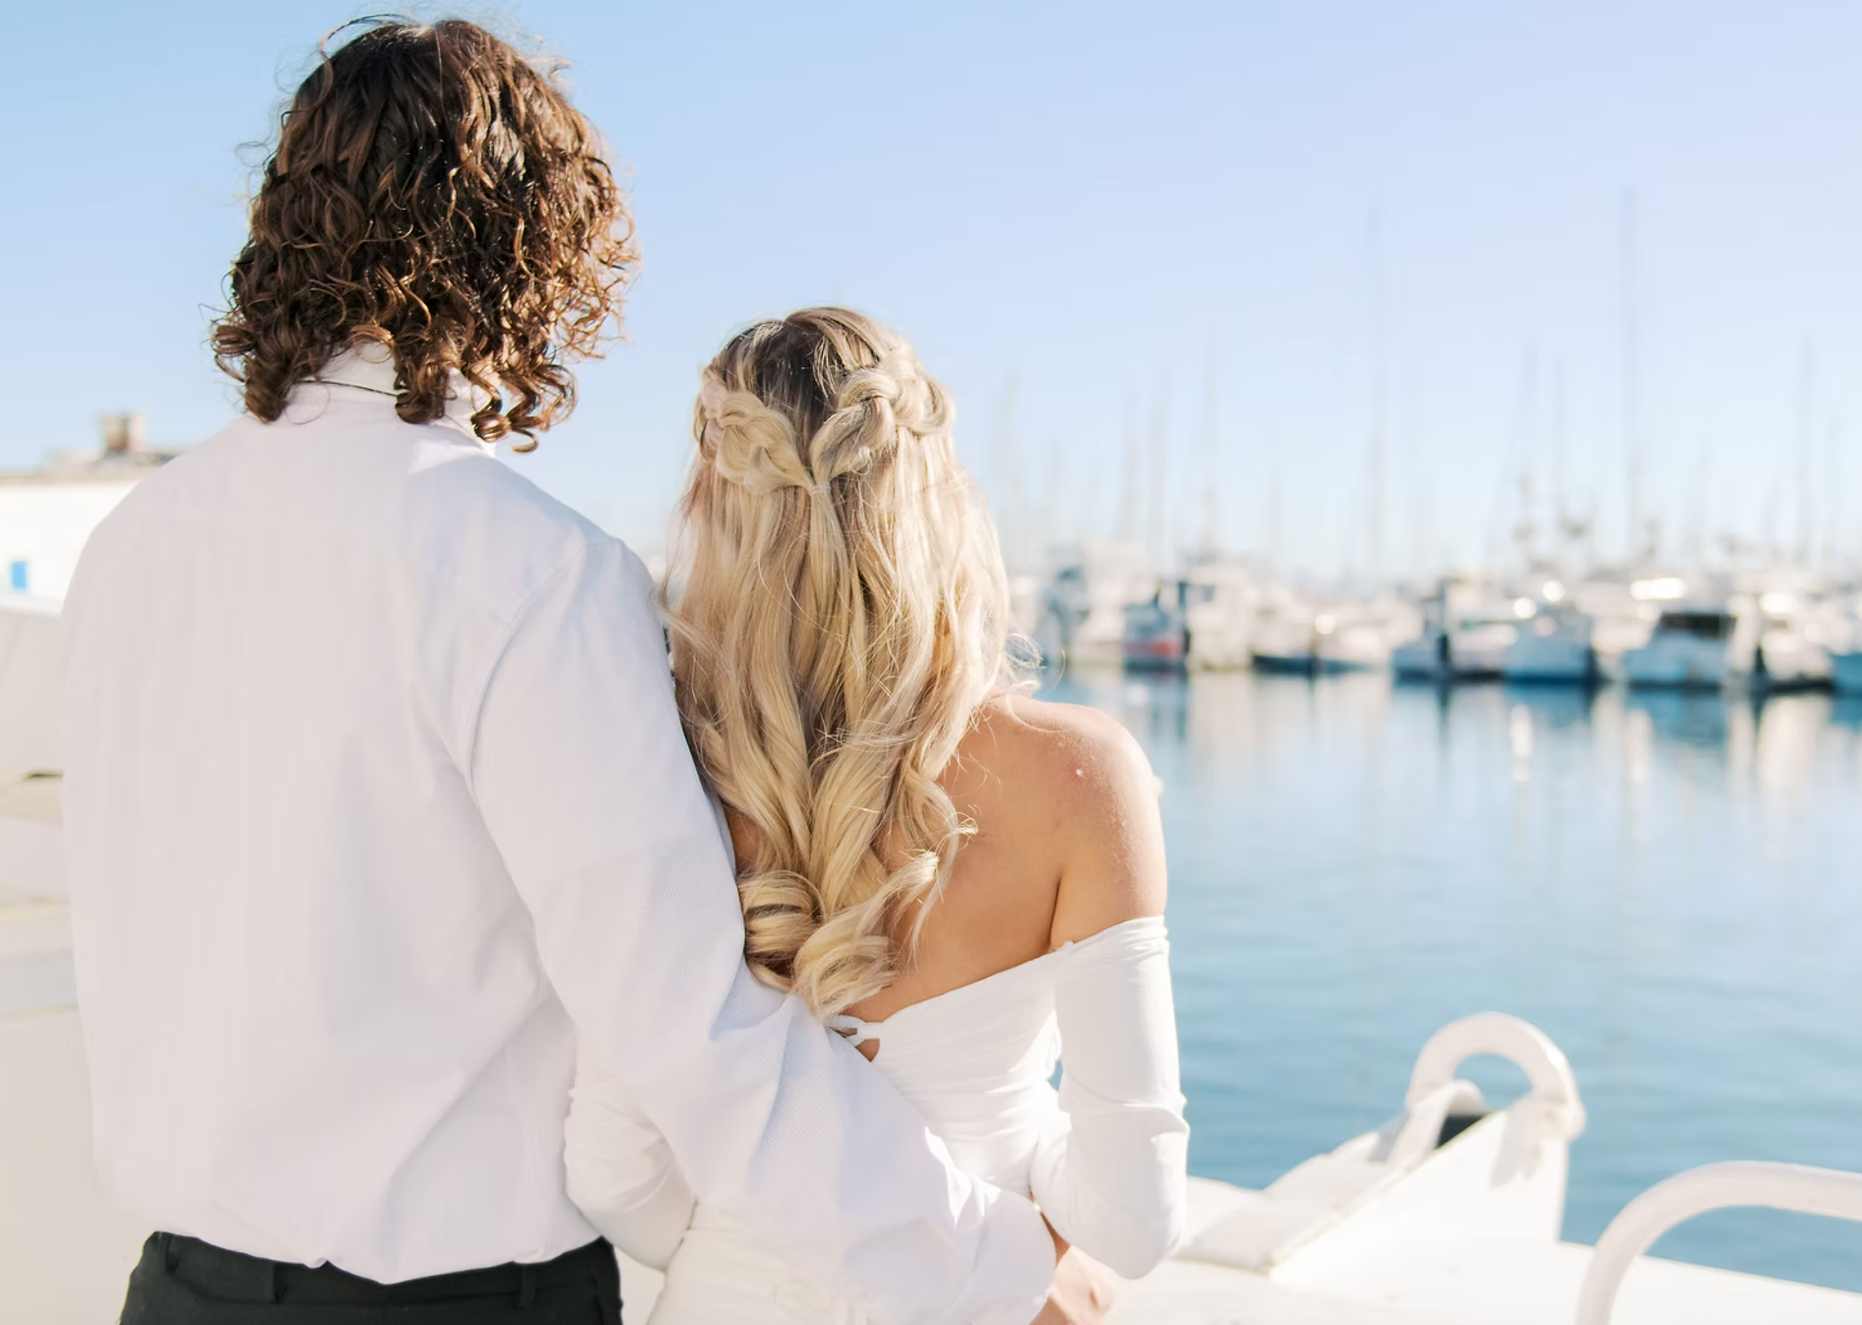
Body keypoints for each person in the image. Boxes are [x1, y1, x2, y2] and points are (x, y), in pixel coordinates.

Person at [60, 19, 1100, 1325]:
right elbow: (686, 1027)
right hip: (458, 1303)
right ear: (530, 252)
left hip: (178, 1290)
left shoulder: (133, 546)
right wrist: (986, 1265)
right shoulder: (530, 577)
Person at [563, 309, 1189, 1323]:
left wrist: (758, 1235)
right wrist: (1003, 1230)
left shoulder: (652, 765)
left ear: (712, 501)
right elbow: (1131, 1218)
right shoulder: (1081, 776)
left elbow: (614, 1174)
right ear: (935, 498)